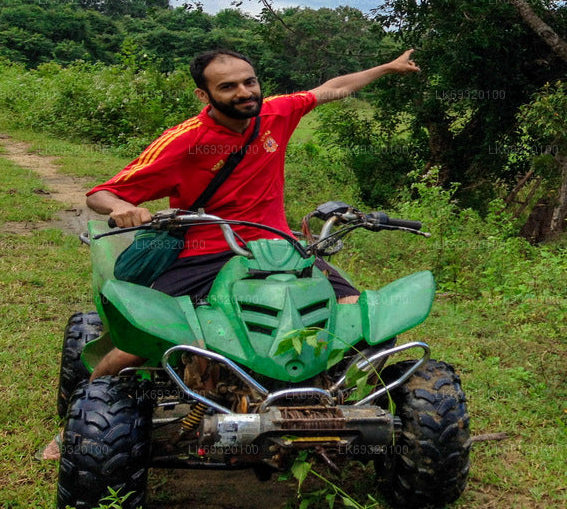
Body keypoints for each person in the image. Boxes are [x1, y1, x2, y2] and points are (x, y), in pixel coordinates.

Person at [84, 47, 421, 378]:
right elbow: (102, 193)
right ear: (204, 95)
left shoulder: (277, 113)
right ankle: (82, 413)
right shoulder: (184, 141)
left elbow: (334, 88)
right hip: (207, 252)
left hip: (280, 249)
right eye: (228, 87)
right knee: (150, 336)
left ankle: (333, 392)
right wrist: (122, 207)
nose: (244, 93)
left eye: (250, 82)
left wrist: (387, 68)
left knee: (359, 319)